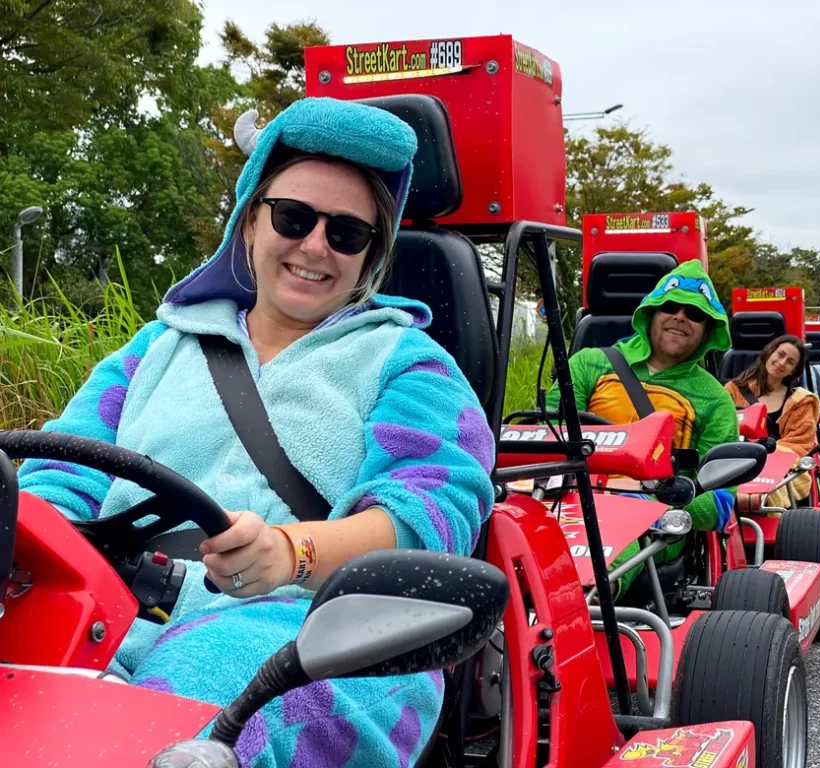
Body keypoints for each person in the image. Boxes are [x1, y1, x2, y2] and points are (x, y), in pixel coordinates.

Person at [16, 98, 495, 767]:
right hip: (106, 608)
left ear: (371, 256)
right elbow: (59, 475)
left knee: (181, 723)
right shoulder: (154, 348)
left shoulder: (411, 365)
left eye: (347, 233)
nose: (315, 246)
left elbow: (433, 515)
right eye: (293, 217)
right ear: (249, 220)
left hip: (320, 629)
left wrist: (288, 552)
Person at [546, 261, 739, 599]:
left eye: (694, 313)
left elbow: (721, 501)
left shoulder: (715, 399)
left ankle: (579, 601)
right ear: (651, 312)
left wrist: (652, 502)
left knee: (615, 538)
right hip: (566, 498)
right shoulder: (588, 363)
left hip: (652, 521)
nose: (680, 317)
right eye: (670, 306)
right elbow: (545, 436)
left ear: (708, 329)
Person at [725, 335, 820, 507]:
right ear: (769, 353)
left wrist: (765, 455)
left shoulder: (801, 401)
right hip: (734, 459)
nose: (782, 363)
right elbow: (719, 430)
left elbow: (800, 443)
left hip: (780, 465)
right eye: (780, 354)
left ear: (793, 371)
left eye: (790, 362)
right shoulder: (732, 391)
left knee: (771, 490)